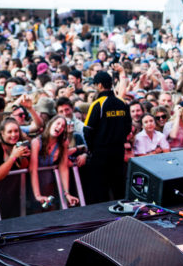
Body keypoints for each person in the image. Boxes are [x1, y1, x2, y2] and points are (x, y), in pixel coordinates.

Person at [82, 71, 132, 204]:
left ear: (99, 85)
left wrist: (92, 148)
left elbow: (87, 130)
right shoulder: (122, 103)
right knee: (118, 189)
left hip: (100, 153)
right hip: (118, 151)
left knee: (101, 191)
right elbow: (128, 127)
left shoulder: (97, 104)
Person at [29, 115, 79, 211]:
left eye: (63, 126)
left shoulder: (63, 143)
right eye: (58, 123)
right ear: (50, 124)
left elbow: (63, 168)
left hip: (50, 185)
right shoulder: (37, 142)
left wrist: (67, 193)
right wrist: (37, 195)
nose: (60, 127)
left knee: (51, 211)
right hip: (34, 186)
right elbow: (33, 170)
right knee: (36, 212)